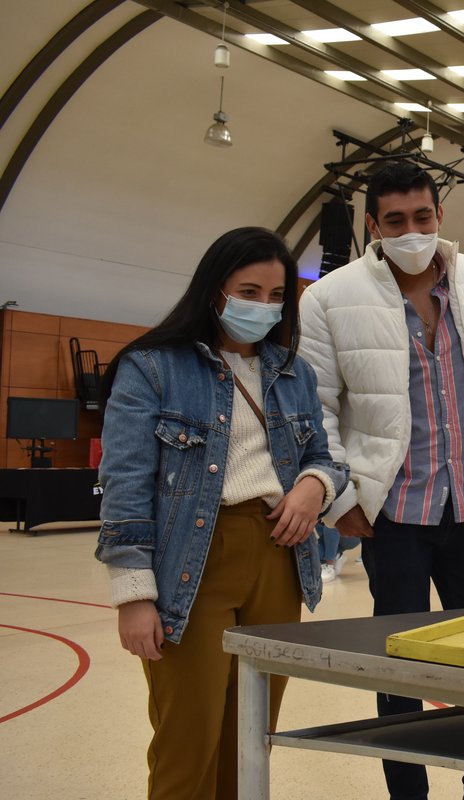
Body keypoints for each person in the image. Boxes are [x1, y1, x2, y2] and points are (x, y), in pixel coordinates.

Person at [298, 163, 464, 800]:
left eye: (421, 217)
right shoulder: (329, 298)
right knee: (396, 662)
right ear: (373, 225)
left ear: (439, 216)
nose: (410, 231)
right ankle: (409, 792)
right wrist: (341, 497)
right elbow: (313, 408)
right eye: (394, 221)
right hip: (392, 514)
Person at [95, 227, 347, 800]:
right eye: (248, 290)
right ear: (214, 290)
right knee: (189, 737)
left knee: (251, 738)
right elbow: (126, 480)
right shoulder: (152, 366)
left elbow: (322, 457)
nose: (262, 306)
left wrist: (314, 485)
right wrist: (133, 593)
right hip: (193, 559)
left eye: (276, 295)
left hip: (279, 558)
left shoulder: (293, 371)